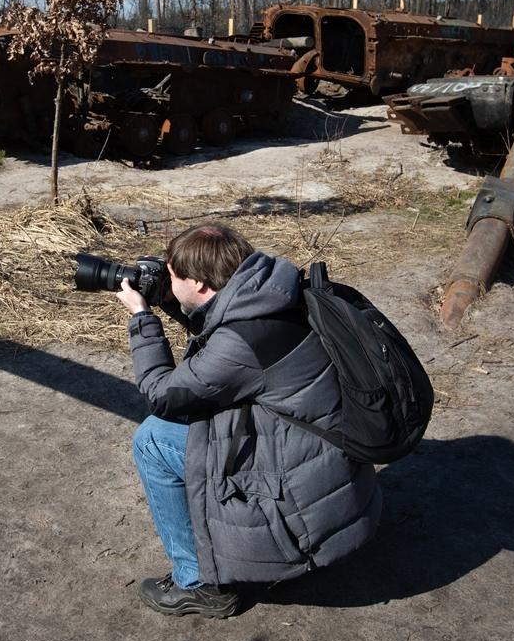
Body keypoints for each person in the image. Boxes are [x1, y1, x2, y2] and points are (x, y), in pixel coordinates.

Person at [115, 222, 383, 618]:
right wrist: (172, 302)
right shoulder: (275, 291)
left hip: (297, 493)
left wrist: (142, 317)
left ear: (203, 285)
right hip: (326, 465)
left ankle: (200, 585)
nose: (167, 281)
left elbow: (163, 394)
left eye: (173, 277)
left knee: (153, 440)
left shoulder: (241, 343)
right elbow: (221, 327)